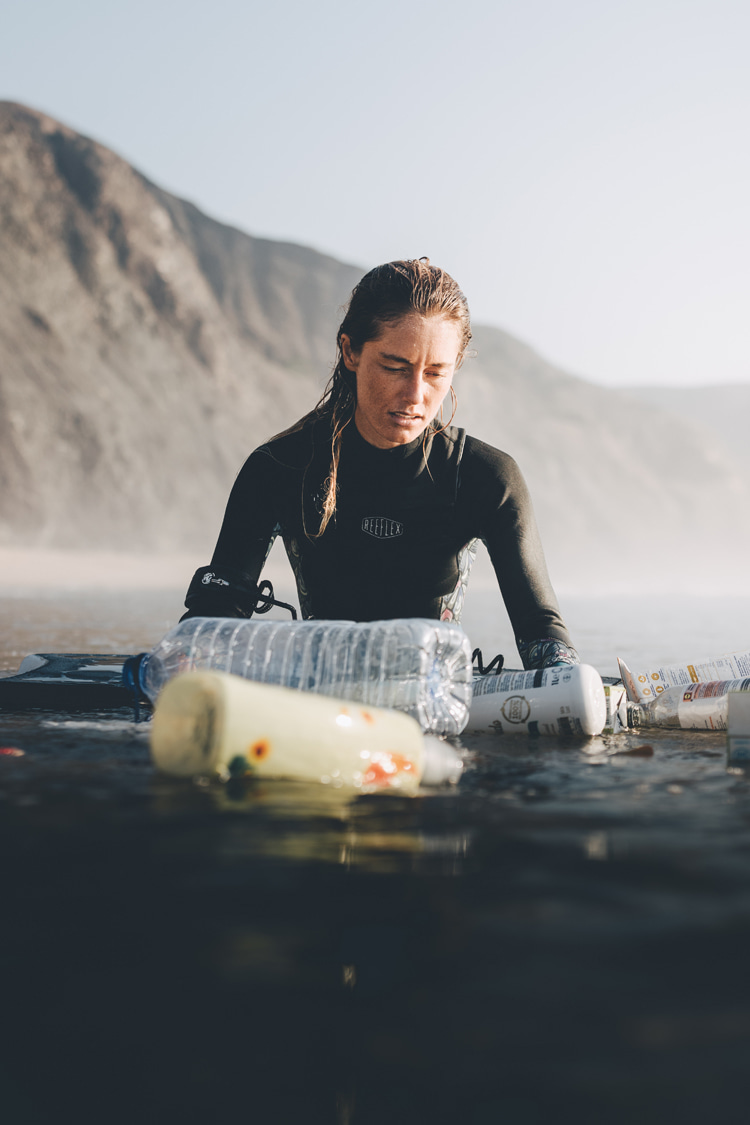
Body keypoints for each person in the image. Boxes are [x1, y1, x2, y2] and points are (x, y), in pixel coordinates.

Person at [182, 259, 579, 670]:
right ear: (350, 350)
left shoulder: (486, 478)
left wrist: (566, 680)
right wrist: (188, 658)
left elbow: (541, 629)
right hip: (318, 708)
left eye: (436, 373)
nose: (414, 395)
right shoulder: (279, 468)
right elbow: (218, 610)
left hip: (432, 708)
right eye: (395, 367)